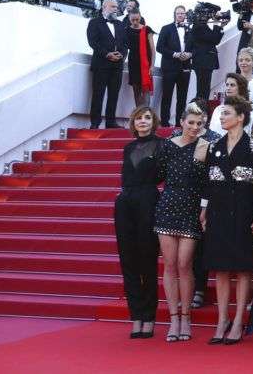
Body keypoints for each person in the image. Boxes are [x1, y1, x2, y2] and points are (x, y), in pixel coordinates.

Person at [200, 96, 253, 345]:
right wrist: (204, 210)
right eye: (221, 114)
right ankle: (222, 319)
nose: (222, 117)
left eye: (226, 113)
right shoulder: (214, 146)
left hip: (244, 214)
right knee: (221, 268)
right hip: (218, 213)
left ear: (240, 117)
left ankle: (239, 320)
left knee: (243, 267)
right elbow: (208, 182)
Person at [154, 103, 210, 342]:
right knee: (169, 265)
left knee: (185, 264)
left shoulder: (205, 146)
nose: (195, 127)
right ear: (182, 122)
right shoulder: (167, 145)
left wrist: (205, 208)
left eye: (199, 124)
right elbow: (158, 175)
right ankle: (173, 318)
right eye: (191, 122)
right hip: (168, 206)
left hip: (192, 208)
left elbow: (207, 182)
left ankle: (186, 317)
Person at [115, 106, 163, 339]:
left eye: (147, 118)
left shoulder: (162, 145)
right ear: (133, 123)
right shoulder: (128, 148)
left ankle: (149, 316)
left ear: (153, 122)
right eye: (138, 118)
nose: (142, 121)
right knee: (128, 260)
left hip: (149, 201)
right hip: (125, 203)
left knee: (147, 260)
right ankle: (136, 315)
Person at [88, 0, 128, 129]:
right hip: (101, 64)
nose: (116, 9)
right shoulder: (94, 22)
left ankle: (111, 122)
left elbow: (125, 44)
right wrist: (107, 54)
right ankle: (95, 123)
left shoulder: (121, 24)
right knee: (98, 94)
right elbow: (93, 42)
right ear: (104, 7)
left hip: (117, 66)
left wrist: (122, 55)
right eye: (113, 6)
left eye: (116, 7)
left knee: (114, 94)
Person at [125, 9, 155, 107]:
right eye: (132, 20)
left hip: (145, 64)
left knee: (145, 91)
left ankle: (146, 114)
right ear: (129, 18)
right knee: (136, 92)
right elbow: (124, 48)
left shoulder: (147, 30)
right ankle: (138, 116)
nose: (135, 22)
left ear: (140, 17)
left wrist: (152, 66)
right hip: (133, 63)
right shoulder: (127, 30)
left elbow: (152, 50)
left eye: (137, 19)